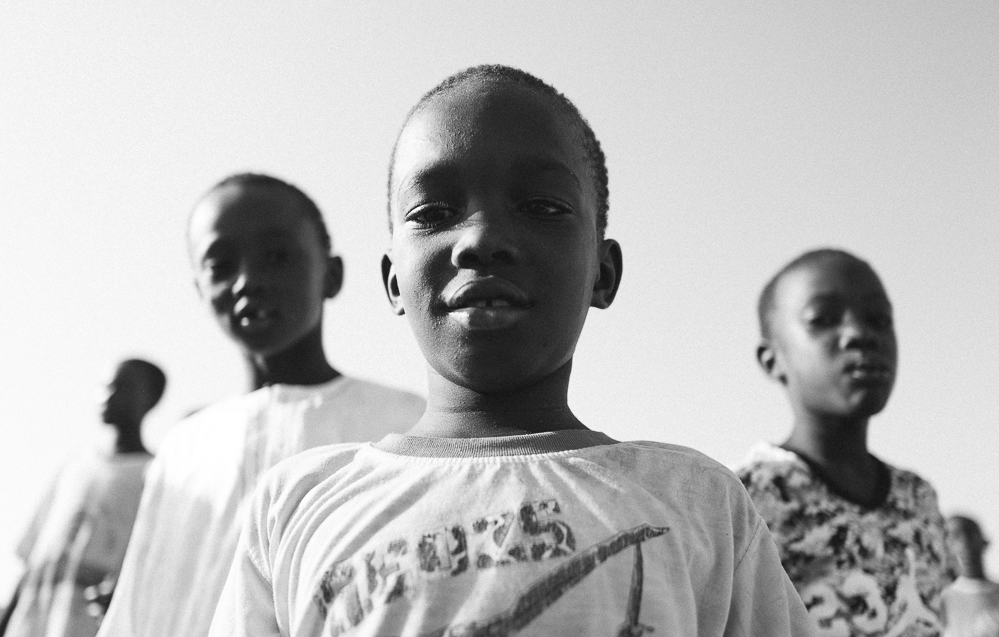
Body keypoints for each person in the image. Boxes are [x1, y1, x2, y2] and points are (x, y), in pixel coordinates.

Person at [209, 65, 812, 637]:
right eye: (432, 212)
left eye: (543, 207)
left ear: (602, 273)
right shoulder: (299, 506)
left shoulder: (697, 502)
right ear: (393, 280)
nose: (482, 238)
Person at [96, 174, 426, 637]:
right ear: (199, 290)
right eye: (221, 264)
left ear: (332, 275)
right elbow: (138, 604)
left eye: (277, 257)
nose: (248, 281)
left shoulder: (403, 424)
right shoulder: (184, 446)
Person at [736, 248, 956, 636]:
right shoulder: (746, 501)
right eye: (822, 319)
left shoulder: (918, 499)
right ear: (773, 360)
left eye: (879, 320)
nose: (860, 334)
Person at [5, 359, 165, 637]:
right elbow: (32, 559)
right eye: (105, 386)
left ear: (150, 399)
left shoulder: (155, 476)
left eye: (122, 388)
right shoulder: (74, 468)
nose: (108, 396)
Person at [942, 515, 999, 637]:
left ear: (983, 543)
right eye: (955, 538)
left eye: (970, 535)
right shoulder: (942, 600)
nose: (964, 544)